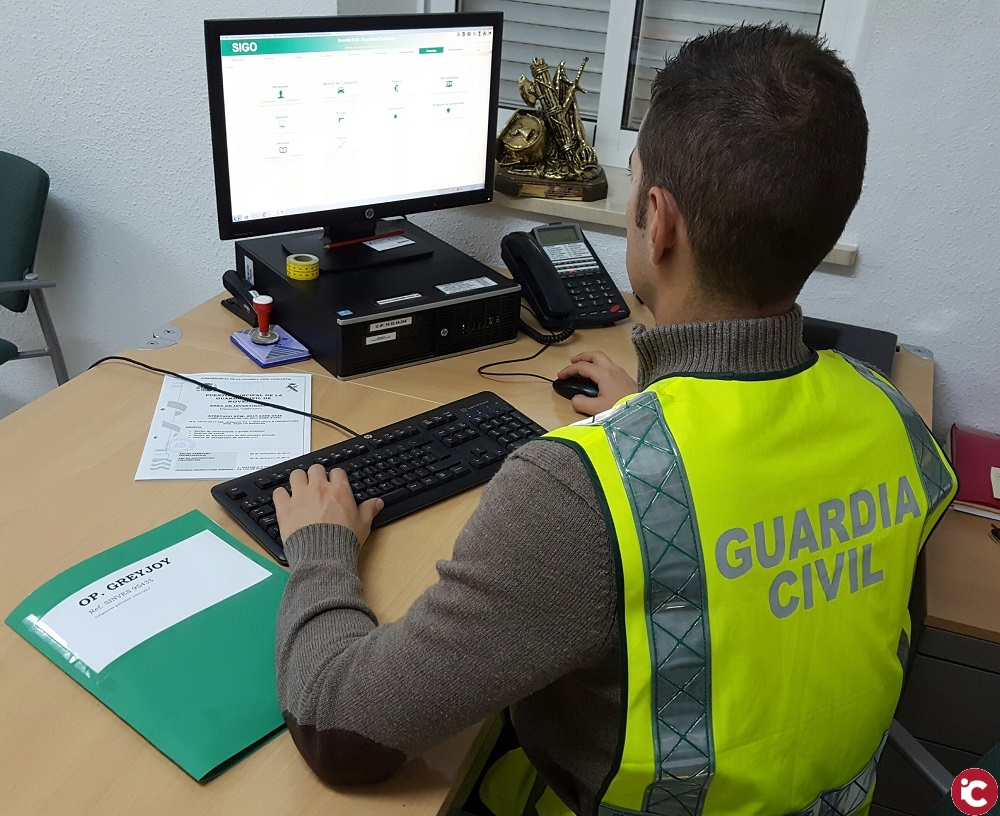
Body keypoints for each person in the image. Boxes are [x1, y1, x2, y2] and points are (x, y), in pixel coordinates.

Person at [271, 24, 956, 816]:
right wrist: (651, 418)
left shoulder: (576, 492)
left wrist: (320, 548)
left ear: (656, 221)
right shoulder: (893, 420)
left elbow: (341, 728)